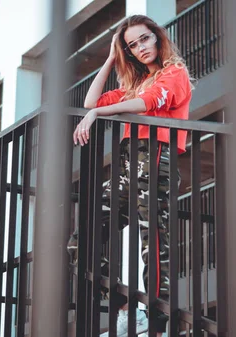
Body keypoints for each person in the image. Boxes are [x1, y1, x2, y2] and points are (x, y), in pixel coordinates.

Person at [68, 14, 193, 337]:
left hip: (157, 161)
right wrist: (111, 58)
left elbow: (149, 102)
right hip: (127, 166)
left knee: (153, 242)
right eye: (131, 45)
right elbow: (90, 101)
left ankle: (159, 322)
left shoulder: (175, 73)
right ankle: (127, 309)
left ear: (157, 37)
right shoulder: (132, 85)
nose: (140, 48)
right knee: (82, 237)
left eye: (144, 39)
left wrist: (97, 113)